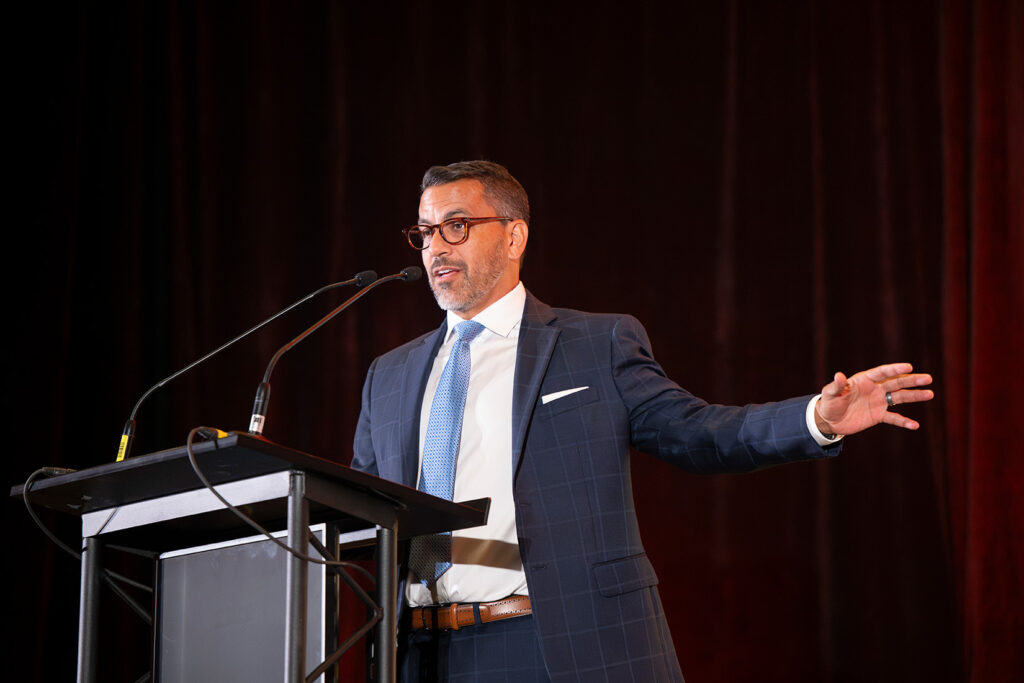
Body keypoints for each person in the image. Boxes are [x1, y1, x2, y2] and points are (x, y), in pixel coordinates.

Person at [351, 160, 934, 682]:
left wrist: (815, 418)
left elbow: (700, 433)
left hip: (553, 644)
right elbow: (358, 514)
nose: (435, 248)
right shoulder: (389, 374)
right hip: (420, 655)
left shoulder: (593, 343)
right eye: (425, 233)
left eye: (455, 226)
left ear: (513, 236)